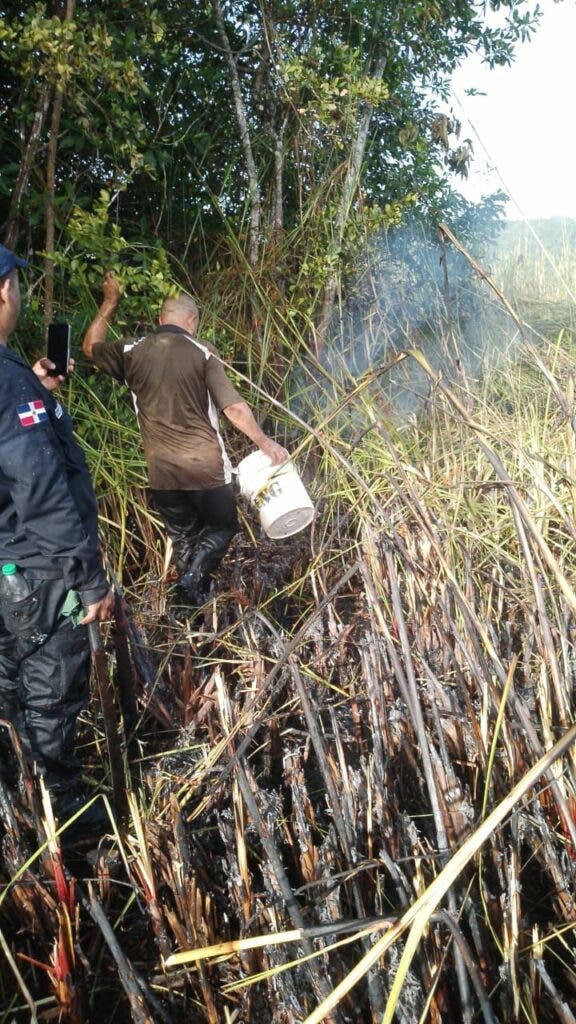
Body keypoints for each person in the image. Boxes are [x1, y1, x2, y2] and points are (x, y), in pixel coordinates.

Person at [82, 273, 289, 603]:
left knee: (184, 538)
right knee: (224, 528)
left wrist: (110, 301)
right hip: (205, 466)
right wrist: (266, 443)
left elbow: (90, 348)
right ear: (192, 320)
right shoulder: (202, 351)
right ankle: (193, 579)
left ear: (160, 319)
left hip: (162, 472)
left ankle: (189, 606)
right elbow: (233, 408)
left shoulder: (131, 350)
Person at [0, 243, 115, 839]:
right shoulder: (10, 385)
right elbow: (41, 490)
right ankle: (62, 818)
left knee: (6, 689)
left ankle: (17, 805)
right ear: (2, 293)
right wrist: (89, 577)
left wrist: (38, 395)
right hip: (35, 571)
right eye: (15, 285)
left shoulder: (19, 385)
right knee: (49, 687)